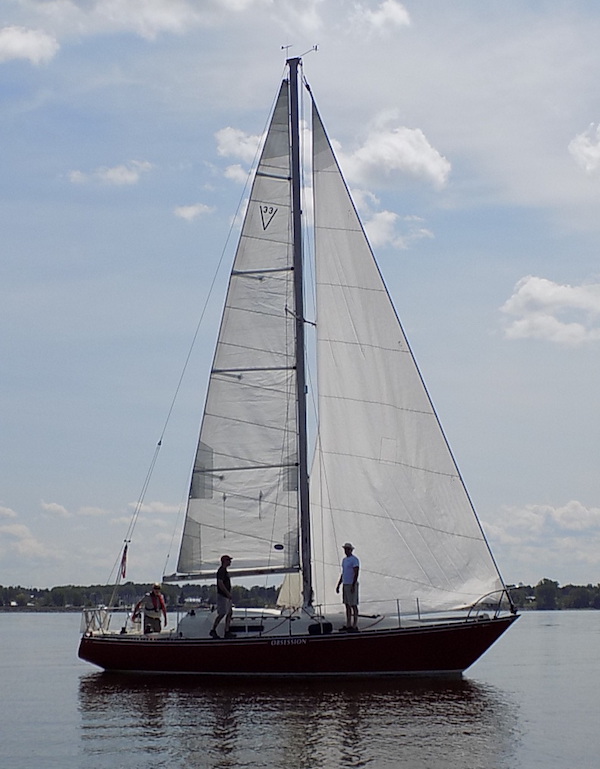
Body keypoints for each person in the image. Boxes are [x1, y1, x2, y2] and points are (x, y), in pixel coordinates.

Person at [336, 542, 360, 632]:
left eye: (347, 549)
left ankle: (355, 624)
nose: (346, 551)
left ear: (351, 550)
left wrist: (353, 585)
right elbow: (343, 573)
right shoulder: (344, 560)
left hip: (351, 584)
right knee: (347, 604)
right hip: (345, 584)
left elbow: (356, 572)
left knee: (353, 604)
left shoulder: (354, 560)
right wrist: (338, 584)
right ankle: (348, 624)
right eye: (345, 549)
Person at [210, 554, 235, 639]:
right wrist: (227, 593)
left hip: (227, 596)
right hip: (222, 596)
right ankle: (213, 630)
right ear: (224, 561)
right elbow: (220, 583)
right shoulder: (221, 571)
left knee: (229, 613)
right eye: (229, 560)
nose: (230, 562)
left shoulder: (225, 571)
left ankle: (227, 631)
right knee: (222, 613)